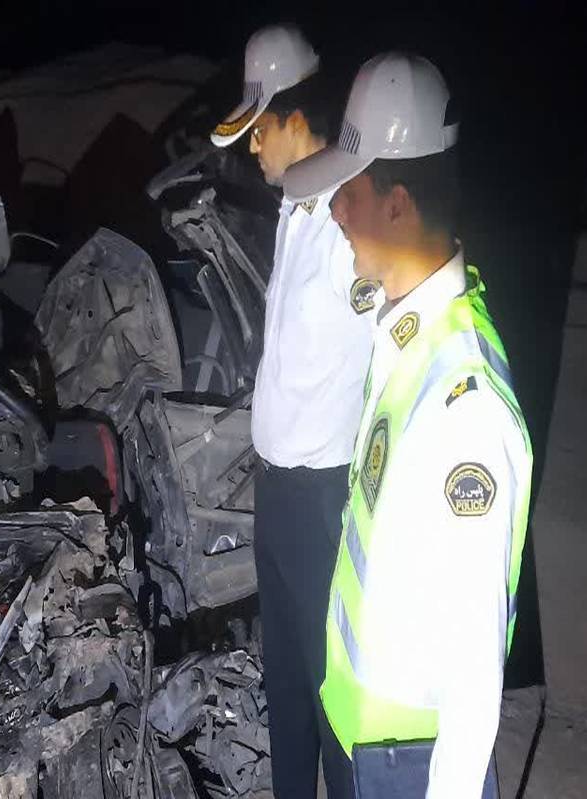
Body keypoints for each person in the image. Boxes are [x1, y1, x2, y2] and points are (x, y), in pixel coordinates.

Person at [284, 52, 534, 798]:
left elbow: (473, 671)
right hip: (364, 738)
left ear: (398, 205)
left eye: (349, 194)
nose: (336, 212)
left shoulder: (463, 404)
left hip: (411, 765)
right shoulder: (405, 336)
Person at [210, 24, 372, 799]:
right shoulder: (295, 208)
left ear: (298, 119)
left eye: (260, 129)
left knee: (332, 694)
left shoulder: (347, 226)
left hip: (322, 501)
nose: (252, 147)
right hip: (276, 494)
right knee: (286, 693)